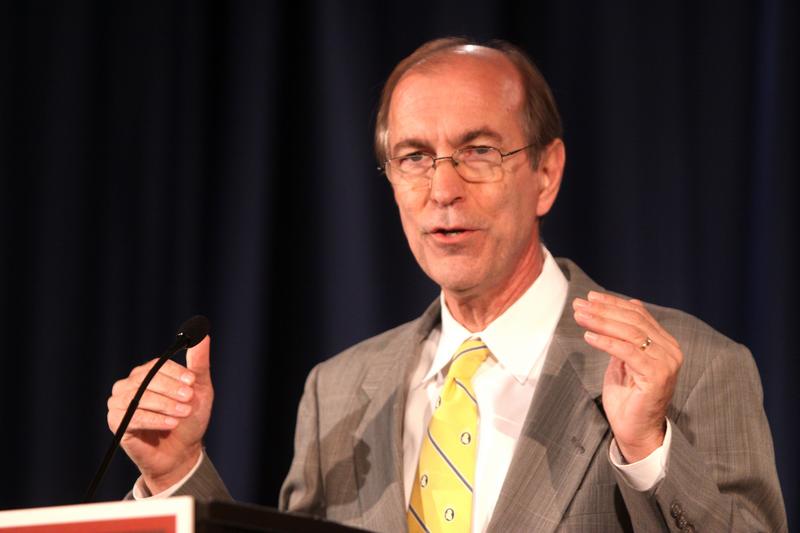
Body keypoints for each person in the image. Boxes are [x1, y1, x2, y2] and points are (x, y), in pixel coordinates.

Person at [107, 37, 787, 532]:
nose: (443, 190)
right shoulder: (337, 391)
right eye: (414, 157)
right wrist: (176, 470)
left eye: (479, 152)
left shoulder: (691, 366)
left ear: (546, 174)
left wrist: (647, 451)